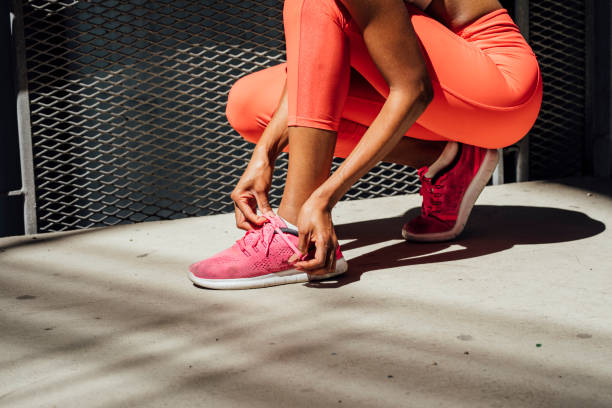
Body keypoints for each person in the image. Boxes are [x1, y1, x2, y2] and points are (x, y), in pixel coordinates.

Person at [188, 0, 542, 289]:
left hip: (500, 88)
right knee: (251, 106)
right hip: (448, 89)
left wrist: (325, 198)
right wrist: (263, 155)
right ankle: (452, 158)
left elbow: (412, 89)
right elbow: (313, 67)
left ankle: (292, 231)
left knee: (316, 2)